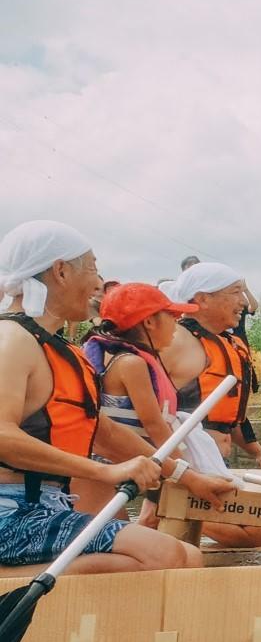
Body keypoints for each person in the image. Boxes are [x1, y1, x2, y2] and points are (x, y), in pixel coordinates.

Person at [0, 221, 199, 573]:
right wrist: (102, 473)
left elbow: (102, 432)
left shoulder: (61, 349)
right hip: (11, 513)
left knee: (187, 555)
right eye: (92, 267)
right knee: (163, 557)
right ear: (60, 271)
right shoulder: (11, 339)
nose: (98, 282)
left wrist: (188, 477)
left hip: (47, 507)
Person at [86, 283, 261, 548]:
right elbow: (155, 426)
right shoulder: (132, 364)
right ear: (150, 322)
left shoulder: (129, 358)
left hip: (136, 467)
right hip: (113, 473)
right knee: (118, 543)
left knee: (137, 536)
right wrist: (185, 473)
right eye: (172, 317)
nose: (178, 326)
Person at [163, 262, 261, 466]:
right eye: (236, 292)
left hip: (214, 462)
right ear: (203, 299)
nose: (243, 302)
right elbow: (149, 414)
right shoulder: (174, 340)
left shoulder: (229, 344)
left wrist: (259, 452)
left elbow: (229, 416)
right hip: (185, 464)